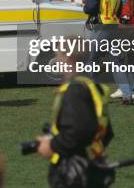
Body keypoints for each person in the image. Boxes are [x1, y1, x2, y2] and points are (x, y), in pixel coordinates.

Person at [36, 48, 114, 188]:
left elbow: (78, 131)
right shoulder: (92, 86)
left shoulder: (75, 90)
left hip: (74, 172)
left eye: (58, 56)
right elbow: (107, 131)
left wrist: (51, 145)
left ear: (68, 58)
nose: (57, 61)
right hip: (92, 164)